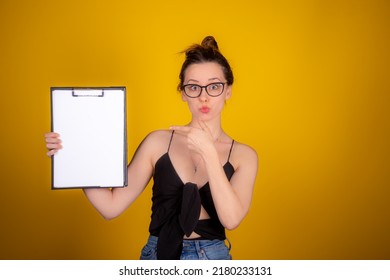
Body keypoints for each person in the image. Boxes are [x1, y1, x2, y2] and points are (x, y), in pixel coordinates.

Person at [45, 36, 258, 260]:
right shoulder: (157, 142)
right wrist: (73, 155)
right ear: (183, 93)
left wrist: (208, 152)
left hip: (213, 258)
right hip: (157, 256)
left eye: (214, 86)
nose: (204, 96)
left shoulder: (244, 155)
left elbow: (231, 219)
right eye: (194, 87)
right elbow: (110, 207)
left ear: (228, 91)